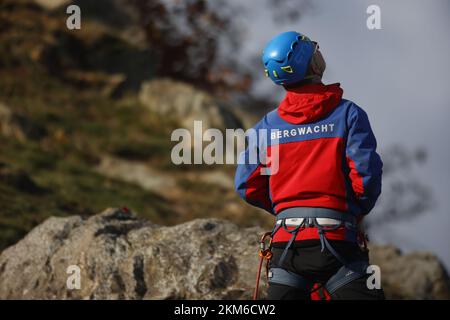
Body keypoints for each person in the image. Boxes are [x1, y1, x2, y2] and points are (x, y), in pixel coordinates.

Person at [234, 31, 385, 300]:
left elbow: (246, 184)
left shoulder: (267, 126)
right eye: (314, 48)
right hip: (339, 242)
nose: (318, 50)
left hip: (286, 248)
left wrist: (287, 208)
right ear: (313, 64)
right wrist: (352, 210)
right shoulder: (348, 114)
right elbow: (366, 176)